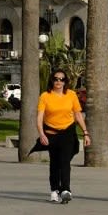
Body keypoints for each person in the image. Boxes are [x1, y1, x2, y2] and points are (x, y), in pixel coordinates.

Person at [36, 69, 90, 203]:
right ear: (52, 80)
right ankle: (54, 189)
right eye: (56, 79)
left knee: (65, 161)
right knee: (55, 163)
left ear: (65, 82)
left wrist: (85, 132)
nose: (58, 82)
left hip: (67, 132)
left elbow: (77, 114)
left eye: (62, 79)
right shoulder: (45, 96)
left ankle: (66, 190)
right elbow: (39, 118)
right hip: (51, 133)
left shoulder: (71, 95)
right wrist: (42, 134)